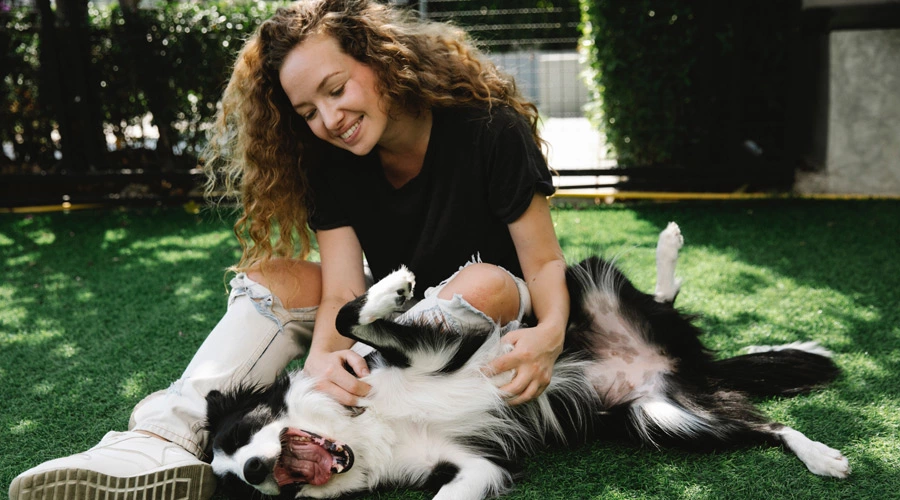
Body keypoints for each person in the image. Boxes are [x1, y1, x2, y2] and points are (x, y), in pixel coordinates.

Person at [8, 0, 569, 498]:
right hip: (398, 299)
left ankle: (375, 388)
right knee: (268, 277)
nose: (329, 120)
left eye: (337, 88)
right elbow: (345, 286)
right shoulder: (332, 161)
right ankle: (161, 437)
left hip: (497, 304)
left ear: (380, 61)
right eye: (307, 112)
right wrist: (326, 358)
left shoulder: (489, 127)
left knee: (484, 281)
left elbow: (542, 262)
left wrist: (549, 335)